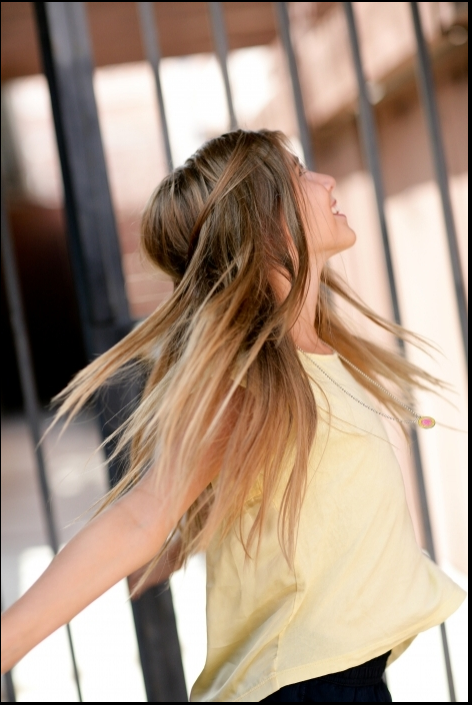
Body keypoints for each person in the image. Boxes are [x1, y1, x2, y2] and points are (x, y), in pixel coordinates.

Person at [1, 129, 465, 702]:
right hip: (309, 685)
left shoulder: (315, 356)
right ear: (265, 221)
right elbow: (142, 516)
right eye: (300, 175)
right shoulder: (254, 380)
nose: (327, 182)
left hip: (341, 676)